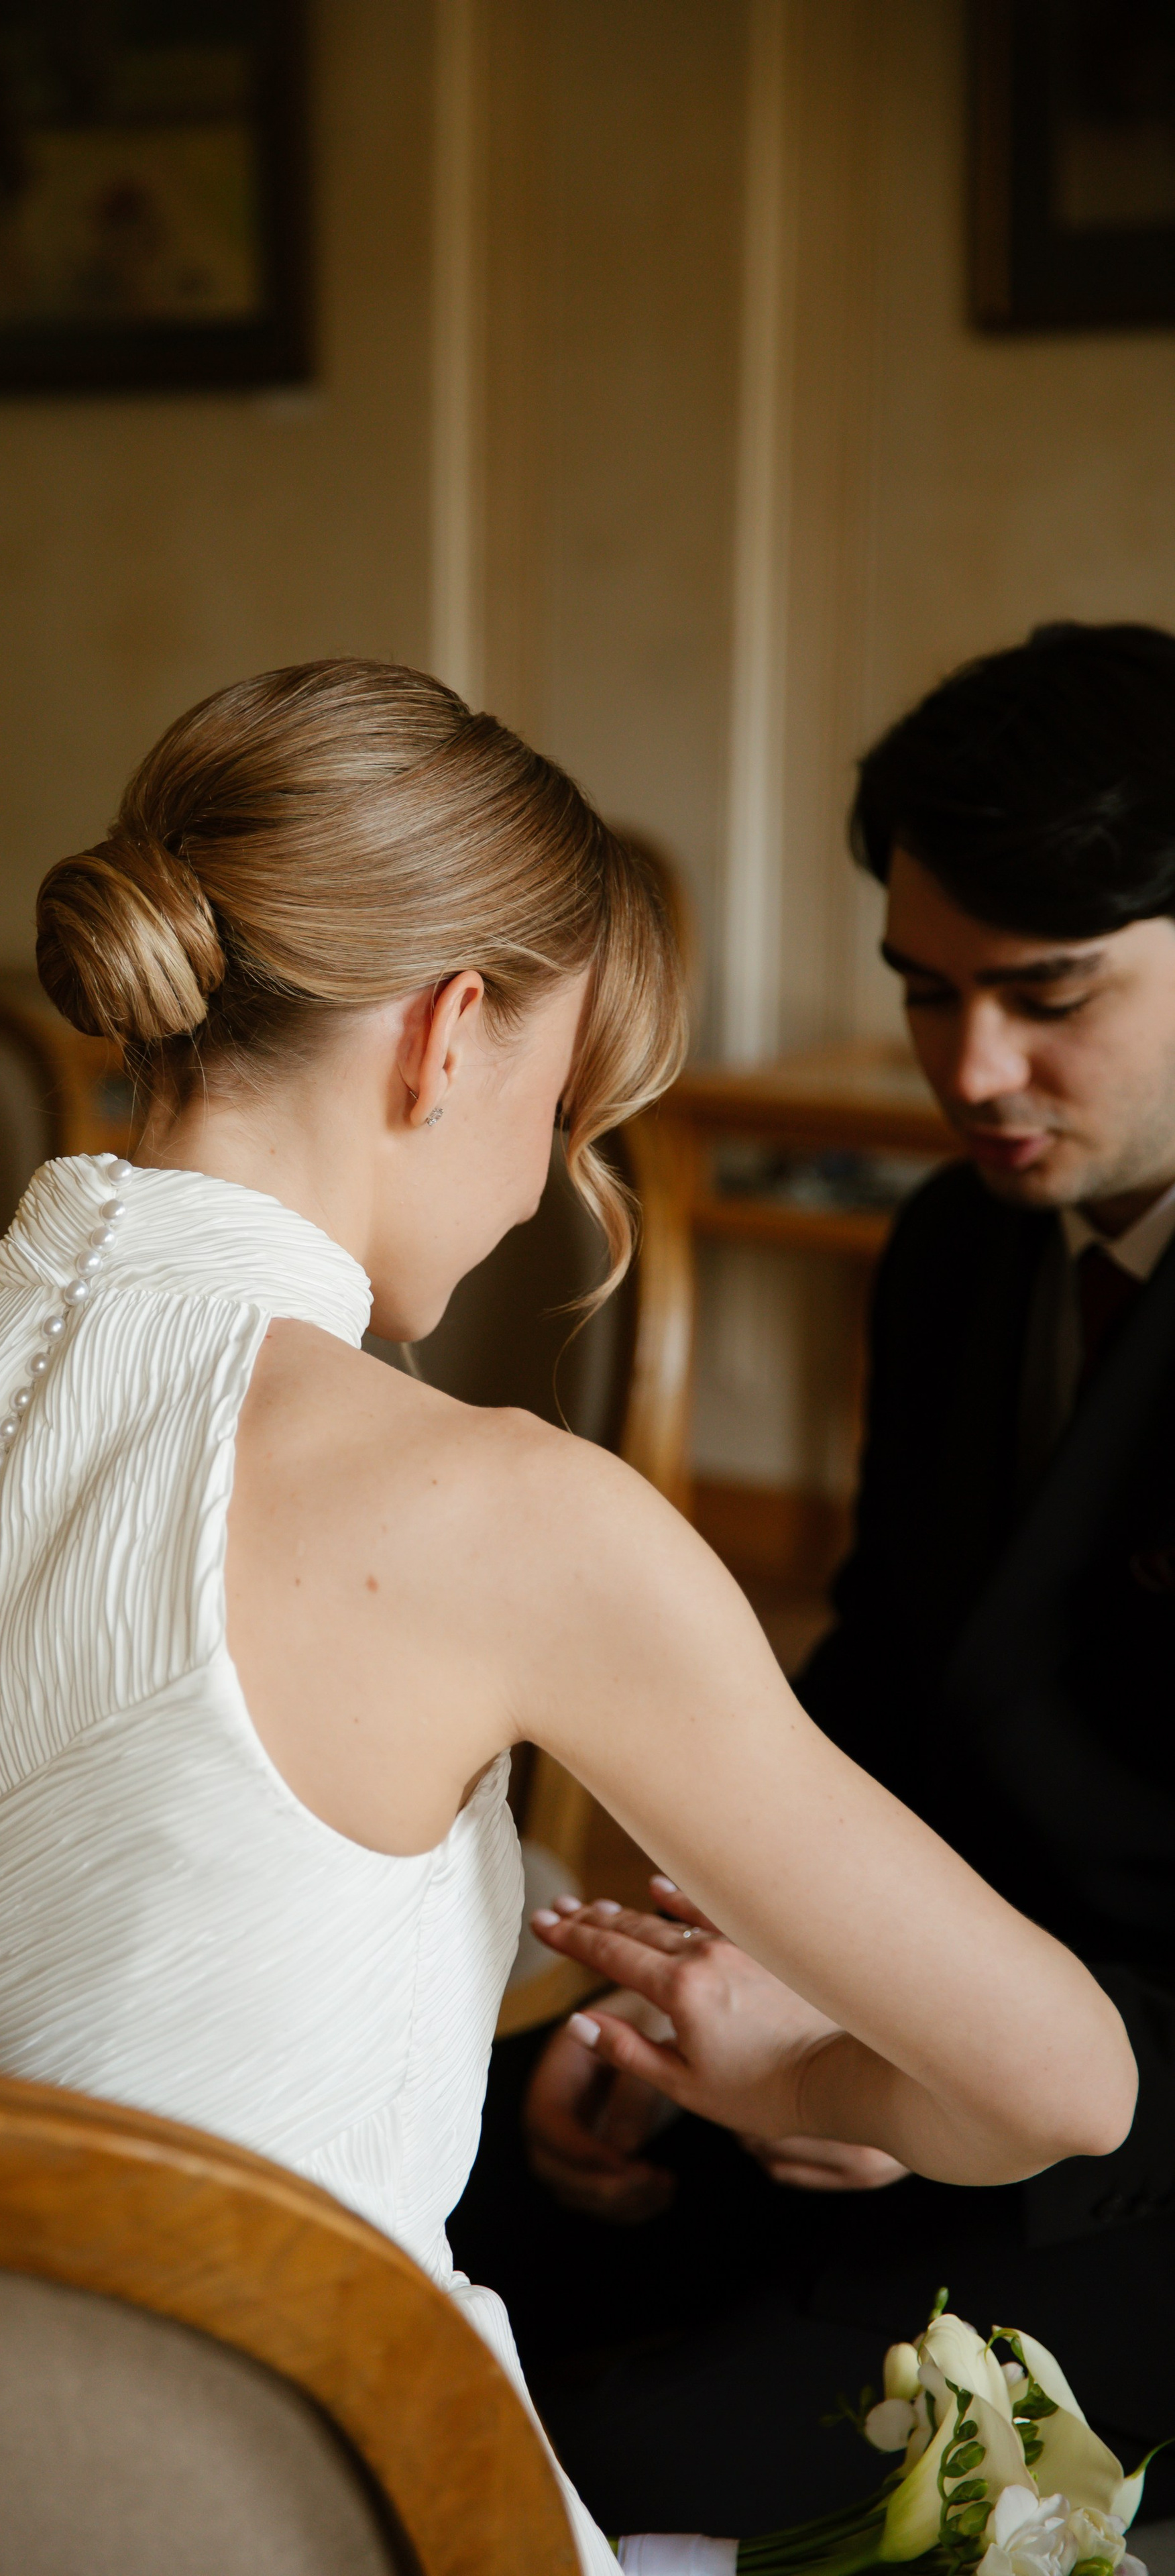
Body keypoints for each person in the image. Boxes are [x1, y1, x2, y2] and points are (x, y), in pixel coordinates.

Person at [0, 658, 1134, 2575]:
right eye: (560, 1105)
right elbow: (1066, 2080)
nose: (552, 1176)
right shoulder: (502, 1510)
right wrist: (804, 2076)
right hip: (303, 2507)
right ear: (447, 1035)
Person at [458, 621, 1175, 2537]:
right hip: (905, 2027)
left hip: (1140, 2148)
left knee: (586, 2461)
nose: (973, 1069)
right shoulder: (961, 1243)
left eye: (1049, 996)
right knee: (430, 2239)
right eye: (927, 997)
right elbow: (885, 1681)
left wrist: (898, 2080)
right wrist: (685, 1995)